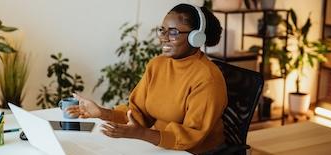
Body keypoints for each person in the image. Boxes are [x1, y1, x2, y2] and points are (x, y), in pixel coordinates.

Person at [67, 3, 226, 154]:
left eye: (173, 32)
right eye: (162, 30)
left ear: (196, 38)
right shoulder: (157, 65)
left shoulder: (207, 78)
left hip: (195, 151)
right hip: (160, 145)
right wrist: (102, 113)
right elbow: (137, 113)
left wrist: (142, 134)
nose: (164, 37)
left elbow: (191, 137)